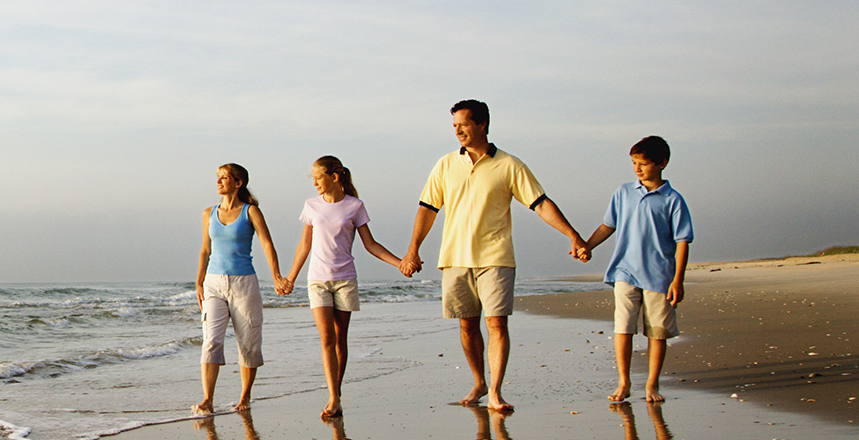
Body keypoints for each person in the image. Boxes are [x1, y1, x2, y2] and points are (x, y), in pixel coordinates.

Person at [401, 100, 592, 413]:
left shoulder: (509, 165)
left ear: (483, 125)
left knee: (496, 324)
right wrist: (413, 250)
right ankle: (479, 381)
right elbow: (427, 208)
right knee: (467, 325)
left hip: (496, 256)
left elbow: (540, 203)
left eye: (463, 124)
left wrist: (573, 235)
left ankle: (496, 392)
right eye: (454, 126)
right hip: (455, 257)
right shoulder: (446, 164)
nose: (458, 131)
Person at [277, 156, 407, 418]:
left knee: (340, 339)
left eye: (318, 177)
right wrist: (290, 277)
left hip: (345, 279)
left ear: (334, 177)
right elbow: (305, 245)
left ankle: (337, 393)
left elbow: (371, 245)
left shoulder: (355, 206)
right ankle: (333, 397)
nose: (314, 182)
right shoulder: (311, 205)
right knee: (327, 338)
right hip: (318, 280)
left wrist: (400, 263)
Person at [584, 136, 694, 403]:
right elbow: (608, 225)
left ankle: (652, 385)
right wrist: (586, 245)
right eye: (634, 163)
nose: (637, 169)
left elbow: (682, 241)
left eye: (643, 164)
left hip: (660, 276)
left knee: (657, 332)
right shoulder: (623, 192)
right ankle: (623, 382)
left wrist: (678, 280)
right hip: (625, 271)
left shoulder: (673, 200)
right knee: (623, 327)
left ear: (662, 163)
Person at [194, 163, 286, 415]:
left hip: (244, 283)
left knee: (249, 343)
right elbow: (205, 249)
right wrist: (199, 281)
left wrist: (277, 276)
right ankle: (207, 399)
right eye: (218, 177)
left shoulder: (251, 212)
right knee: (211, 340)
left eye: (225, 177)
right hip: (214, 283)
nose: (219, 181)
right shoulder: (208, 213)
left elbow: (267, 244)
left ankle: (245, 396)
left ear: (238, 183)